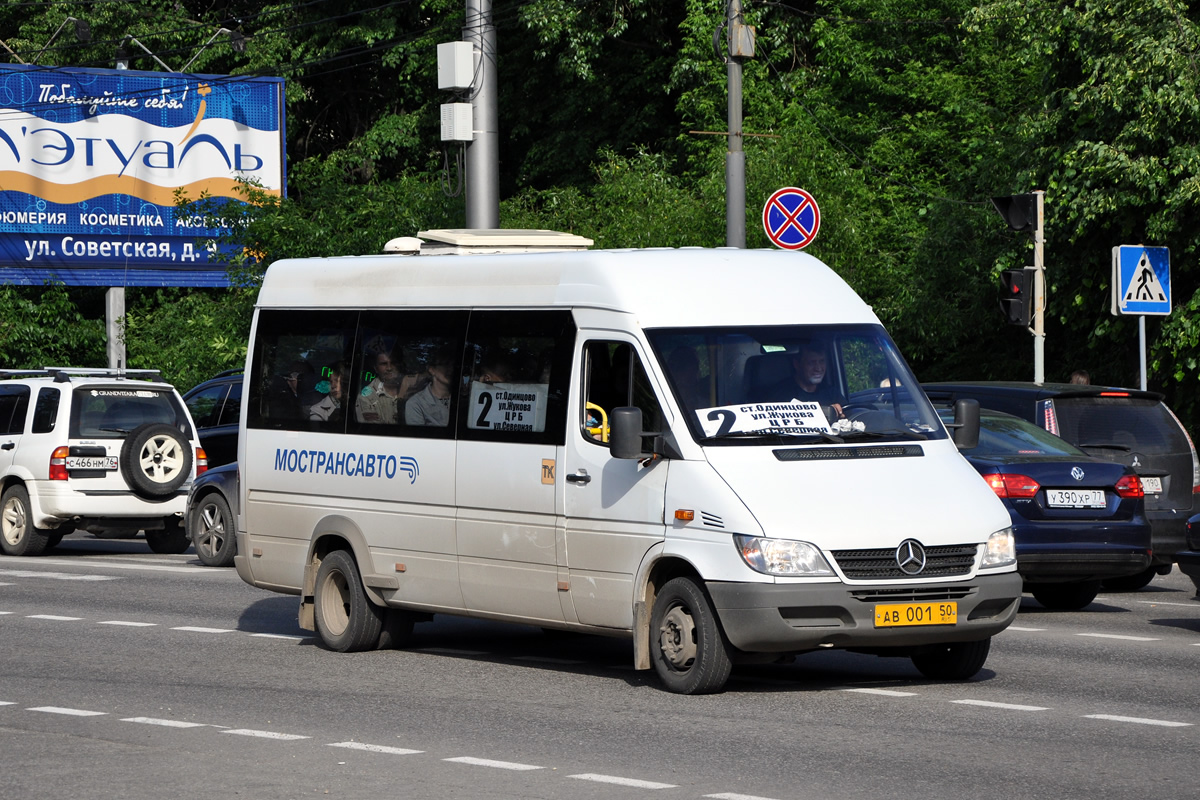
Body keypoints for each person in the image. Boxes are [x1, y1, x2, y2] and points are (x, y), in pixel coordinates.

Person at [764, 341, 845, 418]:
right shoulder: (780, 395)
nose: (818, 368)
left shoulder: (832, 394)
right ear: (797, 364)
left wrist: (838, 413)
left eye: (822, 361)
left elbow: (850, 417)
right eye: (812, 362)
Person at [357, 346, 426, 423]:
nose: (389, 368)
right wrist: (402, 397)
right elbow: (375, 432)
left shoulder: (413, 387)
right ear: (376, 368)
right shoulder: (367, 397)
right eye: (384, 364)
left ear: (399, 365)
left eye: (393, 363)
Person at [405, 344, 456, 427]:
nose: (451, 368)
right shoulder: (416, 403)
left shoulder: (464, 399)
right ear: (432, 370)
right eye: (445, 364)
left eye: (453, 364)